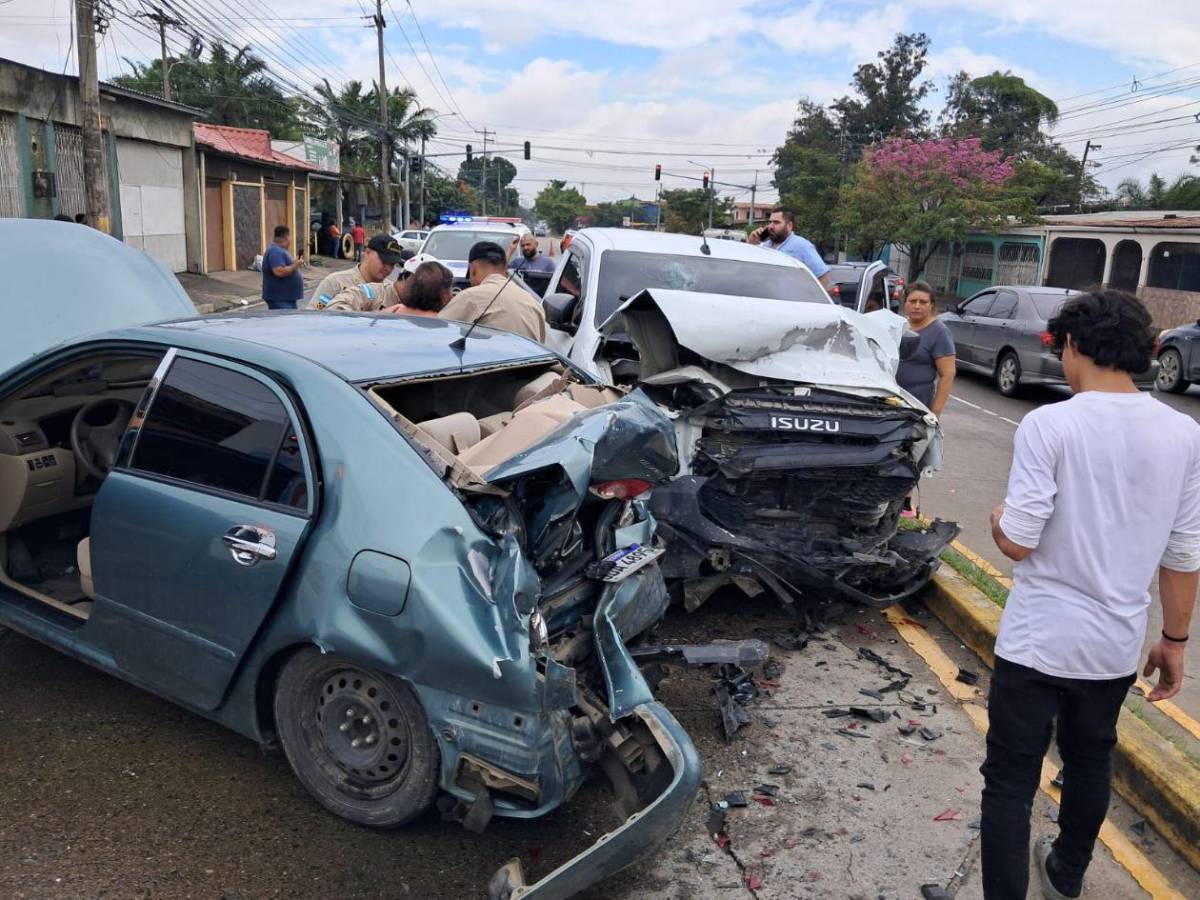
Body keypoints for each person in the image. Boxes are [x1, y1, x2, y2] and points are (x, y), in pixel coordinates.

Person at [983, 289, 1199, 900]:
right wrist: (1174, 640)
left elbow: (1019, 542)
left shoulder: (1051, 424)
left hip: (1036, 641)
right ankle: (1066, 874)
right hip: (1112, 646)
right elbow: (1183, 554)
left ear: (1073, 345)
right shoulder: (1183, 434)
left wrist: (999, 518)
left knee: (1008, 782)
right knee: (1090, 760)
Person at [438, 241, 546, 341]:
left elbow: (436, 335)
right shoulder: (533, 302)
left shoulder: (471, 296)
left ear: (472, 269)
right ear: (505, 269)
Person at [895, 281, 955, 417]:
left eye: (923, 302)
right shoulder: (898, 326)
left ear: (931, 305)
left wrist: (935, 413)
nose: (917, 306)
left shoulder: (939, 332)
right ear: (905, 303)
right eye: (913, 301)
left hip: (917, 407)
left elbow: (948, 375)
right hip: (891, 402)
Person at [309, 234, 403, 309]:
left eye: (392, 264)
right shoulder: (335, 283)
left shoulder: (391, 291)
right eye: (384, 261)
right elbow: (315, 315)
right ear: (367, 253)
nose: (388, 268)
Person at [748, 208, 830, 286]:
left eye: (776, 222)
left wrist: (807, 298)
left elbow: (823, 277)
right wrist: (752, 244)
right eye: (770, 222)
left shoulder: (802, 246)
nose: (771, 226)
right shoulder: (765, 246)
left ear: (789, 225)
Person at [382, 261, 452, 317]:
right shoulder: (444, 322)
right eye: (450, 289)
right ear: (444, 294)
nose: (452, 295)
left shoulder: (394, 310)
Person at [261, 225, 305, 310]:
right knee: (284, 322)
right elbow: (279, 272)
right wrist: (295, 265)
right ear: (287, 238)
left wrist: (295, 264)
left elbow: (286, 268)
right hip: (280, 299)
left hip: (286, 298)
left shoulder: (280, 250)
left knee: (290, 321)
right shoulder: (275, 251)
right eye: (290, 236)